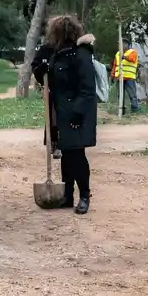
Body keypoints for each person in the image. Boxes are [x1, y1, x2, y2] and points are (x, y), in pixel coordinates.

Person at [31, 17, 97, 215]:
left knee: (77, 155)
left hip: (78, 114)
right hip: (61, 112)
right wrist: (40, 71)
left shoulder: (81, 55)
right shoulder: (58, 54)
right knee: (67, 155)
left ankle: (84, 195)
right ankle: (68, 195)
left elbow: (87, 90)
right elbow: (51, 81)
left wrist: (77, 114)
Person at [111, 42, 140, 113]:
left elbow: (132, 59)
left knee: (132, 94)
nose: (119, 46)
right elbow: (115, 65)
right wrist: (112, 75)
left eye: (122, 44)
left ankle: (135, 109)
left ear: (127, 45)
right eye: (118, 45)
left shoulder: (132, 52)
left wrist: (124, 57)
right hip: (119, 77)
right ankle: (122, 110)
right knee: (120, 95)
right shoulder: (117, 54)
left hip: (129, 77)